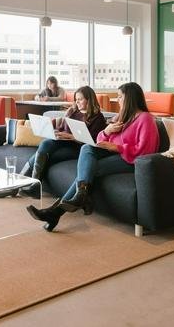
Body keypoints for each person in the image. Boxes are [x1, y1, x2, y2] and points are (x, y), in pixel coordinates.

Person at [27, 82, 159, 231]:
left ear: (130, 98)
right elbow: (98, 140)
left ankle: (56, 212)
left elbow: (145, 151)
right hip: (112, 152)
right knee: (87, 148)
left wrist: (118, 147)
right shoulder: (122, 117)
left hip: (129, 159)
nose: (118, 100)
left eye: (120, 97)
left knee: (88, 171)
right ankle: (80, 196)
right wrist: (107, 131)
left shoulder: (145, 119)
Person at [0, 86, 106, 198]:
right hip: (63, 142)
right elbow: (63, 128)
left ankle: (18, 187)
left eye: (80, 99)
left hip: (78, 150)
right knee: (45, 143)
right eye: (76, 99)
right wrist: (55, 132)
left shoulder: (98, 118)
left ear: (89, 99)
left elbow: (93, 141)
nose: (77, 102)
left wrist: (71, 137)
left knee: (42, 156)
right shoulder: (73, 111)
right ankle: (31, 186)